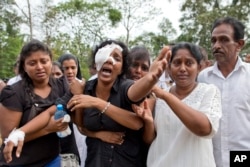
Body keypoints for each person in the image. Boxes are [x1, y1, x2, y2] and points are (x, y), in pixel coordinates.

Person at [66, 39, 168, 167]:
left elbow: (136, 119)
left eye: (116, 58)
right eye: (105, 54)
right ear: (95, 62)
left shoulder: (125, 87)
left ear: (121, 69)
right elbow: (80, 125)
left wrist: (150, 79)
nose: (109, 60)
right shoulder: (85, 88)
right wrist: (98, 134)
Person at [133, 42, 222, 167]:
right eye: (177, 63)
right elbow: (150, 139)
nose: (182, 68)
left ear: (199, 67)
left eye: (189, 63)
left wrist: (165, 96)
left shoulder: (209, 91)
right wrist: (148, 122)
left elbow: (204, 129)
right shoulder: (158, 98)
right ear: (168, 68)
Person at [0, 39, 73, 166]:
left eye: (44, 61)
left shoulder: (61, 85)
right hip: (19, 162)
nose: (39, 67)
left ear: (51, 61)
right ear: (24, 66)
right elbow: (9, 139)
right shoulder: (13, 93)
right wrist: (48, 129)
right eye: (32, 63)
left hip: (51, 159)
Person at [198, 17, 250, 167]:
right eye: (214, 40)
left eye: (223, 40)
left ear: (239, 44)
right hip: (210, 159)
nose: (216, 46)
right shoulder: (203, 78)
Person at [58, 53, 87, 167]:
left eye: (73, 67)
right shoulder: (56, 86)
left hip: (81, 128)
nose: (70, 71)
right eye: (66, 68)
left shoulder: (84, 85)